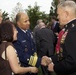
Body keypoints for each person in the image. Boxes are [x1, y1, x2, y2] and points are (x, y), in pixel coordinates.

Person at [43, 1, 76, 75]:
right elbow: (65, 53)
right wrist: (51, 59)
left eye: (58, 14)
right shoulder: (70, 28)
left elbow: (72, 62)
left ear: (66, 14)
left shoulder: (72, 31)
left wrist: (54, 67)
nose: (57, 17)